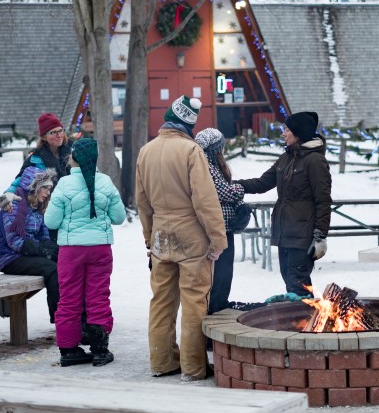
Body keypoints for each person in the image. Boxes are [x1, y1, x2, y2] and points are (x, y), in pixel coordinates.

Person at [135, 95, 226, 382]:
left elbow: (142, 201)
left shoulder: (145, 151)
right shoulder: (191, 151)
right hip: (191, 238)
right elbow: (205, 200)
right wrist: (217, 239)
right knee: (194, 301)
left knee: (161, 301)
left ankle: (161, 361)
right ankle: (194, 366)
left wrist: (149, 237)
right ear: (188, 123)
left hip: (161, 235)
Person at [45, 138, 126, 367]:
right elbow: (119, 217)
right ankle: (100, 349)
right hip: (100, 248)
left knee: (69, 298)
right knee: (98, 296)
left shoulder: (64, 185)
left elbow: (51, 221)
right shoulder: (106, 182)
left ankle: (69, 349)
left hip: (71, 250)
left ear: (74, 159)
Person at [236, 111, 332, 297]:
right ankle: (301, 321)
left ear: (299, 133)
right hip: (285, 233)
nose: (283, 133)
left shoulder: (315, 161)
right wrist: (234, 186)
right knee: (290, 284)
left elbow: (323, 200)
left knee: (298, 285)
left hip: (303, 235)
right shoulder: (287, 158)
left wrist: (320, 236)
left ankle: (305, 322)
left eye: (287, 130)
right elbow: (263, 183)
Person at [0, 167, 59, 323]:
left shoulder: (37, 208)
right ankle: (60, 318)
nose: (48, 192)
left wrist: (50, 247)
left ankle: (74, 315)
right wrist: (41, 249)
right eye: (45, 188)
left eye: (49, 189)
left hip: (27, 254)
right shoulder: (13, 207)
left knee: (63, 261)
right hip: (11, 258)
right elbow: (14, 241)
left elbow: (43, 235)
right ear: (34, 187)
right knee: (52, 269)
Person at [195, 128, 246, 314]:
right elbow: (223, 191)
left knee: (225, 272)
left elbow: (227, 191)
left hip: (225, 226)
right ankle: (215, 310)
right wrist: (239, 190)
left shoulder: (213, 166)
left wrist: (237, 199)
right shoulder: (206, 167)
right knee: (219, 274)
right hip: (217, 228)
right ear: (215, 148)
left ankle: (218, 305)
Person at [0, 113, 72, 214]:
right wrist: (9, 194)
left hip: (73, 206)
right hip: (48, 210)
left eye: (60, 130)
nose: (59, 135)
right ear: (44, 137)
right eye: (53, 132)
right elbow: (21, 180)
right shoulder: (34, 159)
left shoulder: (74, 152)